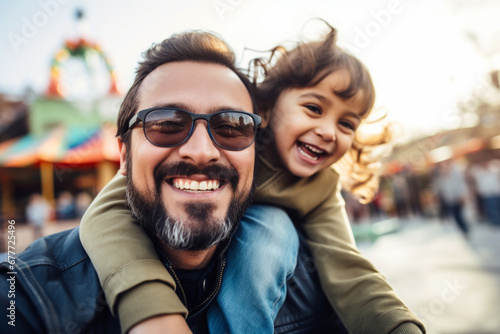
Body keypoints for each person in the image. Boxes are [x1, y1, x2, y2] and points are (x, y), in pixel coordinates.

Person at [79, 25, 425, 334]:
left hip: (262, 270)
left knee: (272, 229)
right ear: (268, 109)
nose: (328, 131)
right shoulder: (229, 145)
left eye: (347, 124)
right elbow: (106, 212)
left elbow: (347, 266)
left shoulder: (320, 187)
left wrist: (397, 325)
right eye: (314, 109)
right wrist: (152, 310)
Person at [0, 30, 347, 334]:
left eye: (231, 126)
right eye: (166, 123)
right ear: (124, 155)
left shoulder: (307, 283)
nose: (201, 152)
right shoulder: (24, 295)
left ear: (257, 152)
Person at [433, 159, 471, 237]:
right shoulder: (440, 179)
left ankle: (465, 228)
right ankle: (463, 229)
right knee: (455, 216)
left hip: (458, 199)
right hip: (449, 200)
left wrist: (463, 195)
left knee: (460, 215)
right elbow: (438, 190)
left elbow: (462, 186)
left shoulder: (455, 176)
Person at [468, 153, 500, 226]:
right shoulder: (476, 170)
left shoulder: (495, 167)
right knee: (492, 209)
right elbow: (470, 178)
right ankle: (496, 223)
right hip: (486, 193)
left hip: (497, 191)